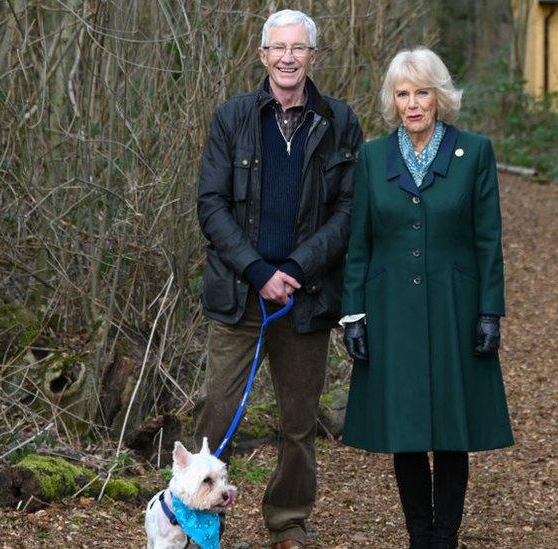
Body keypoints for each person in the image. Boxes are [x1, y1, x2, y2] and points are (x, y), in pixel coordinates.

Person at [195, 9, 363, 549]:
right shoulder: (233, 117)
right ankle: (197, 524)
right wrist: (259, 270)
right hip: (240, 294)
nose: (288, 57)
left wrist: (294, 270)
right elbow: (211, 204)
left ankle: (288, 523)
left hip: (306, 298)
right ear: (263, 55)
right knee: (217, 413)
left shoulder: (340, 121)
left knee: (298, 422)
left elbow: (348, 210)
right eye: (278, 47)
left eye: (299, 48)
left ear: (314, 56)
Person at [340, 47, 514, 549]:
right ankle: (420, 536)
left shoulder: (474, 152)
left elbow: (488, 239)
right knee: (408, 426)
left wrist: (490, 311)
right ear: (392, 101)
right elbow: (360, 243)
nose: (412, 104)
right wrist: (353, 314)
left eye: (421, 92)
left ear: (440, 97)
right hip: (391, 308)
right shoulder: (374, 158)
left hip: (456, 307)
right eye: (402, 94)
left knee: (451, 426)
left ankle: (446, 536)